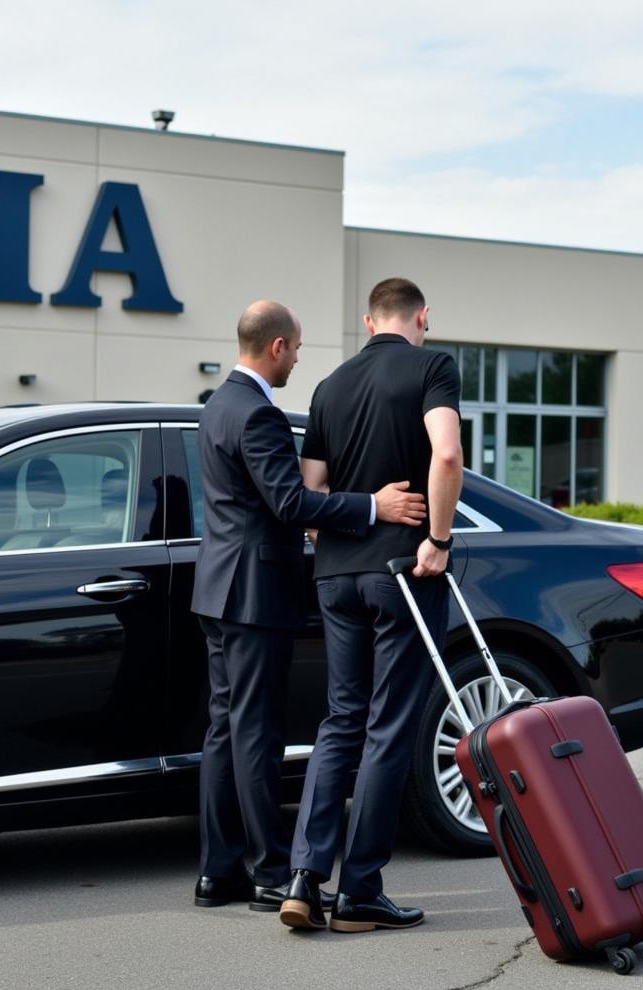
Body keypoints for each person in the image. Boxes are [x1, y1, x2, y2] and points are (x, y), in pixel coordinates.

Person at [190, 299, 428, 912]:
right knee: (255, 736)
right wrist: (373, 506)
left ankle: (219, 870)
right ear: (276, 347)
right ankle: (271, 870)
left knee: (224, 730)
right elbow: (290, 503)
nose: (298, 358)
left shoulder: (217, 405)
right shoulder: (258, 415)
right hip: (254, 591)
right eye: (296, 348)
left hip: (217, 587)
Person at [280, 278, 463, 932]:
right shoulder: (432, 366)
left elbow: (311, 492)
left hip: (336, 573)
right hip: (403, 570)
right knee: (389, 726)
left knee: (340, 720)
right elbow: (446, 452)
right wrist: (437, 541)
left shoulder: (329, 387)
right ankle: (359, 891)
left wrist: (346, 524)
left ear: (367, 321)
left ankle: (304, 877)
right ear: (422, 317)